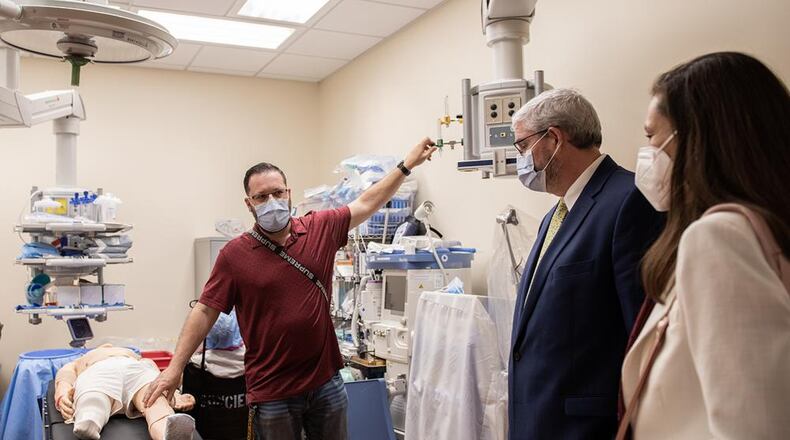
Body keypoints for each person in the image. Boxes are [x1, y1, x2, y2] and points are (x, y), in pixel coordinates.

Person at [143, 139, 438, 440]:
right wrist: (173, 369)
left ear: (288, 193)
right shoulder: (234, 255)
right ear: (249, 204)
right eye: (261, 197)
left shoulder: (320, 229)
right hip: (273, 393)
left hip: (326, 385)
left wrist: (406, 165)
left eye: (277, 193)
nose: (271, 201)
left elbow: (366, 202)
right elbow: (205, 310)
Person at [619, 51, 790, 439]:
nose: (646, 151)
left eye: (651, 135)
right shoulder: (766, 226)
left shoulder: (720, 238)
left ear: (698, 137)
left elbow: (754, 425)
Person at [508, 88, 665, 439]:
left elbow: (641, 335)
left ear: (553, 138)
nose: (519, 159)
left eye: (521, 146)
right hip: (540, 419)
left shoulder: (629, 200)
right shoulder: (555, 215)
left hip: (588, 427)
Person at [53, 344, 196, 440]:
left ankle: (166, 429)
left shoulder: (136, 357)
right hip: (100, 370)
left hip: (134, 369)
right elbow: (65, 373)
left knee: (154, 397)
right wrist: (63, 391)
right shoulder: (82, 360)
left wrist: (175, 394)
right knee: (93, 393)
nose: (109, 346)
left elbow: (158, 377)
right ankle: (89, 418)